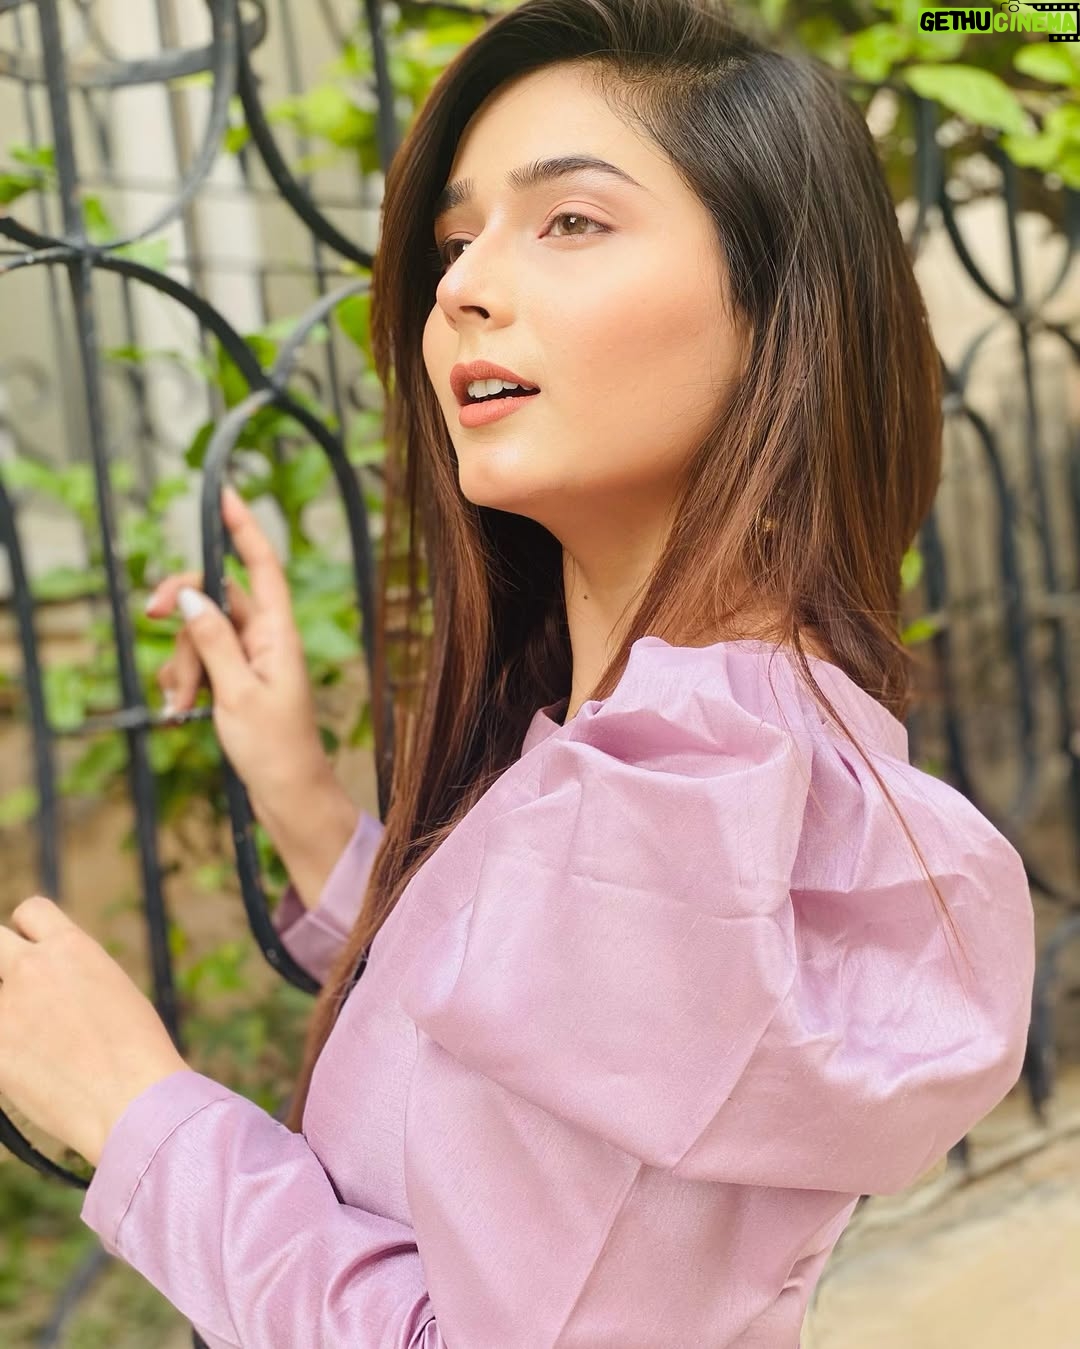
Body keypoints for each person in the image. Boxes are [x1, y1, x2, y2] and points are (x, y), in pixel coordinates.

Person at [0, 0, 1036, 1345]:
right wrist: (304, 798)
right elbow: (529, 1045)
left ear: (779, 310)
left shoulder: (668, 804)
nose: (461, 287)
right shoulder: (695, 752)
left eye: (572, 221)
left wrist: (135, 1109)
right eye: (456, 240)